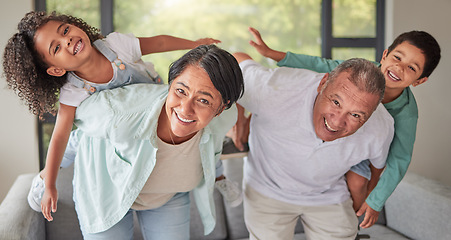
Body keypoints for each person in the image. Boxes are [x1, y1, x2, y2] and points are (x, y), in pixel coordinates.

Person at [2, 11, 238, 222]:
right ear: (56, 70)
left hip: (146, 116)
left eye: (65, 30)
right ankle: (43, 179)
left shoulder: (115, 45)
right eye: (56, 48)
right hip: (113, 128)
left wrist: (195, 44)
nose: (68, 40)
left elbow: (159, 42)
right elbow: (59, 136)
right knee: (76, 139)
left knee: (204, 134)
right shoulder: (73, 91)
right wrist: (52, 184)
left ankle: (218, 177)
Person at [245, 27, 441, 228]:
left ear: (419, 81)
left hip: (365, 153)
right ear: (385, 55)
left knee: (357, 183)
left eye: (411, 68)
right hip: (334, 145)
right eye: (398, 58)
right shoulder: (359, 72)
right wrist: (273, 54)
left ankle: (353, 224)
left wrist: (375, 201)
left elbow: (400, 159)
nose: (399, 68)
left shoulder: (407, 113)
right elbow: (320, 64)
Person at [62, 45, 243, 239]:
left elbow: (210, 149)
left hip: (167, 195)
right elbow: (77, 130)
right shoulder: (118, 111)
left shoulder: (226, 117)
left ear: (221, 108)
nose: (185, 109)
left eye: (204, 101)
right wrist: (47, 175)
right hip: (105, 191)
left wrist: (218, 176)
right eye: (181, 91)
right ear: (170, 84)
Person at [232, 51, 394, 240]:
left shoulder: (381, 127)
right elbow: (236, 60)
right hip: (268, 187)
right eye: (336, 102)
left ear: (373, 113)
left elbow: (377, 167)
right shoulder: (274, 89)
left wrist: (370, 198)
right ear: (322, 83)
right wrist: (238, 119)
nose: (337, 122)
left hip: (328, 194)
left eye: (356, 115)